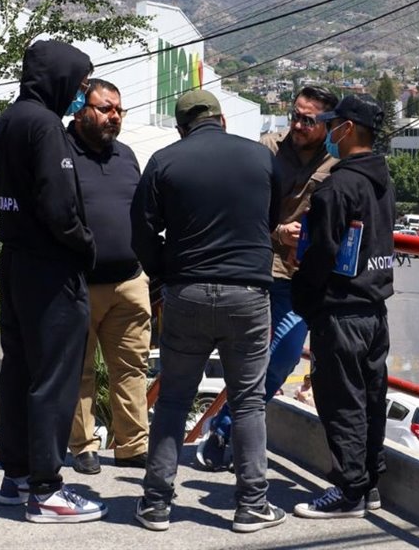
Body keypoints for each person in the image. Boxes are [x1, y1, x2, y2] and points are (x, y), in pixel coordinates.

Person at [130, 89, 286, 533]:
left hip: (188, 293)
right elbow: (269, 218)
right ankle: (252, 504)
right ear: (220, 119)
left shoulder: (165, 160)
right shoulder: (259, 158)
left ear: (182, 127)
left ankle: (157, 503)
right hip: (249, 296)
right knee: (249, 400)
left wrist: (166, 274)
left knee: (174, 398)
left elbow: (140, 232)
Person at [0, 40, 106, 523]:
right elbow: (59, 205)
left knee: (18, 370)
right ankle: (46, 489)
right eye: (79, 85)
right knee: (54, 376)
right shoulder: (45, 126)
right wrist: (85, 244)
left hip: (15, 259)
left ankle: (16, 476)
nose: (79, 95)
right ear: (58, 78)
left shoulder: (9, 119)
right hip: (49, 266)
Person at [197, 85, 339, 471]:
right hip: (256, 266)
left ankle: (224, 426)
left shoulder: (333, 166)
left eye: (308, 120)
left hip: (298, 277)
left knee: (284, 356)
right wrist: (280, 231)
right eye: (295, 115)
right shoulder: (267, 149)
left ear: (327, 123)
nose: (297, 124)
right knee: (252, 357)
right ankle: (229, 430)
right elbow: (241, 207)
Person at [291, 94, 395, 519]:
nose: (328, 131)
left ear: (347, 129)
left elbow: (322, 251)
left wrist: (304, 292)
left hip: (341, 310)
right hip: (374, 308)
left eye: (333, 125)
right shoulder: (381, 181)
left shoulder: (338, 186)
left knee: (341, 401)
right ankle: (369, 482)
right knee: (371, 398)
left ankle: (349, 492)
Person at [65, 78, 152, 475]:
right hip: (78, 284)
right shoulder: (61, 153)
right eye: (105, 108)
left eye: (119, 109)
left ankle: (132, 446)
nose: (113, 116)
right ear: (82, 109)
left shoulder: (127, 155)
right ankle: (83, 446)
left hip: (130, 283)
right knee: (78, 370)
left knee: (131, 368)